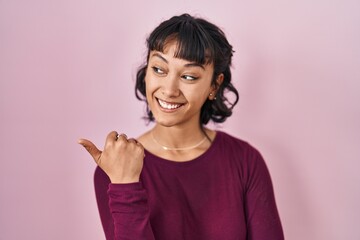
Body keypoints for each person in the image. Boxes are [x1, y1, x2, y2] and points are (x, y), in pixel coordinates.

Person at [79, 13, 284, 240]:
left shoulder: (245, 160)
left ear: (214, 86)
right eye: (159, 69)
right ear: (146, 73)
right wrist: (125, 184)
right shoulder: (116, 168)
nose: (169, 89)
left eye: (188, 76)